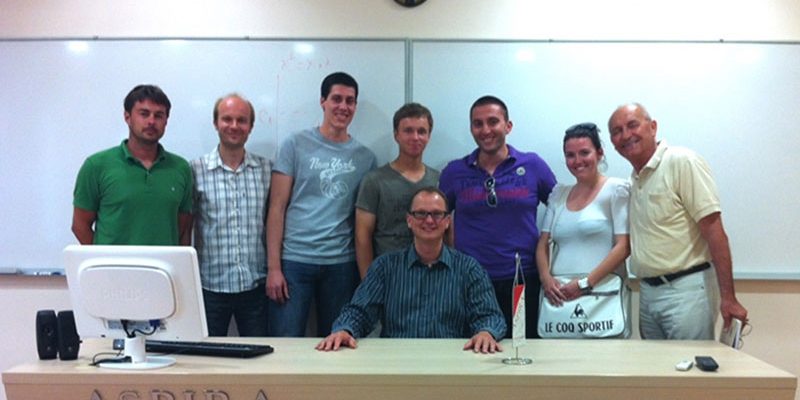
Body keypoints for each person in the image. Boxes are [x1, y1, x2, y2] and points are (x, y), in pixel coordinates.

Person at [607, 103, 748, 339]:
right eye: (617, 131)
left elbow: (714, 231)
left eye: (632, 125)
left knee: (688, 362)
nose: (626, 135)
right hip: (648, 292)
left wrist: (729, 297)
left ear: (653, 127)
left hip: (686, 292)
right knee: (654, 364)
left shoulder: (682, 162)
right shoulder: (633, 180)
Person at [316, 187, 506, 353]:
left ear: (447, 221)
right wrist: (345, 330)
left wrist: (486, 332)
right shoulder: (385, 267)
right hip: (396, 364)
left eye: (437, 214)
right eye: (421, 213)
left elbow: (490, 315)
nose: (429, 220)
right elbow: (359, 311)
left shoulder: (469, 269)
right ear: (409, 220)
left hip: (450, 364)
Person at [266, 72, 377, 337]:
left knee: (337, 343)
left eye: (350, 101)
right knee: (287, 342)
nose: (343, 107)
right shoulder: (295, 144)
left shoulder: (366, 158)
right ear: (323, 101)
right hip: (294, 261)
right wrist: (273, 268)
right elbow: (276, 208)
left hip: (341, 264)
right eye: (336, 99)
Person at [439, 95, 556, 338]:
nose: (485, 130)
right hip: (469, 282)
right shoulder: (454, 171)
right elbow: (436, 221)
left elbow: (562, 211)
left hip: (522, 280)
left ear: (508, 126)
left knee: (521, 350)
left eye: (493, 122)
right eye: (478, 124)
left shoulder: (532, 165)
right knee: (474, 351)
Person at [535, 122, 632, 337]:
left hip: (602, 298)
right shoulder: (558, 194)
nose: (577, 161)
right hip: (561, 298)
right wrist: (545, 278)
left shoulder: (617, 190)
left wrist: (585, 284)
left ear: (599, 153)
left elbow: (624, 247)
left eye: (584, 153)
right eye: (570, 155)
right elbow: (542, 245)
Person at [191, 93, 271, 337]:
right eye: (227, 119)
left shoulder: (267, 170)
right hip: (209, 287)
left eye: (242, 120)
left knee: (259, 355)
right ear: (216, 123)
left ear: (251, 126)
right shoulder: (195, 170)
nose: (234, 126)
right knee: (207, 357)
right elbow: (185, 225)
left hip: (255, 286)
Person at [72, 84, 192, 246]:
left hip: (164, 263)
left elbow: (183, 228)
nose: (151, 121)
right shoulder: (96, 166)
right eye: (144, 114)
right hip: (112, 263)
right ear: (127, 117)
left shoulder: (180, 168)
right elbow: (80, 226)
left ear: (166, 121)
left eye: (158, 115)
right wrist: (105, 257)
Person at [354, 103, 440, 279]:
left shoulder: (438, 181)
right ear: (396, 135)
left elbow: (445, 232)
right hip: (387, 275)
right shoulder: (374, 181)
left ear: (429, 136)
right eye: (408, 131)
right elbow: (362, 236)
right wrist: (368, 282)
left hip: (430, 276)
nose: (415, 137)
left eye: (421, 131)